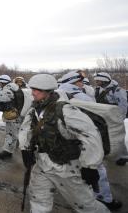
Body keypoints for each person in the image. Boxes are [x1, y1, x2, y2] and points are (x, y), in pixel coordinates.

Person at [18, 74, 109, 213]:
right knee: (38, 199)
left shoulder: (65, 110)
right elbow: (25, 129)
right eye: (32, 89)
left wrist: (89, 166)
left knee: (86, 206)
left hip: (67, 168)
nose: (33, 92)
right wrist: (25, 149)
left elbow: (90, 134)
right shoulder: (34, 110)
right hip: (43, 164)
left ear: (48, 92)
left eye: (37, 90)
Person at [59, 71, 122, 211]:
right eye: (80, 81)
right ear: (74, 82)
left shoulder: (58, 94)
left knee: (75, 171)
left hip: (67, 141)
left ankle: (81, 200)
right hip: (85, 139)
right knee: (96, 169)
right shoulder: (82, 97)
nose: (82, 83)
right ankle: (104, 199)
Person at [94, 72, 128, 166]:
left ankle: (123, 156)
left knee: (118, 138)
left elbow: (123, 105)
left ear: (104, 80)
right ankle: (110, 154)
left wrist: (120, 118)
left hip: (115, 119)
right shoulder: (98, 90)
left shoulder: (117, 90)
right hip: (103, 118)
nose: (96, 81)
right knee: (106, 137)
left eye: (98, 80)